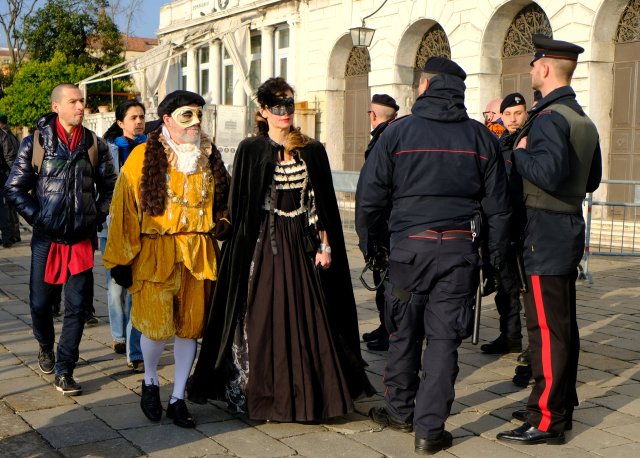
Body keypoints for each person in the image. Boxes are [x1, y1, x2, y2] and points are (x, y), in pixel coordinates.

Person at [187, 77, 375, 422]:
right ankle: (263, 393)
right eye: (277, 106)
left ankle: (311, 395)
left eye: (289, 105)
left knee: (312, 317)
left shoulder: (312, 149)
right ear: (262, 110)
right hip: (263, 243)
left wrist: (325, 244)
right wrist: (224, 224)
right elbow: (239, 202)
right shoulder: (251, 149)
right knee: (260, 316)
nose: (285, 112)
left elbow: (322, 205)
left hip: (302, 244)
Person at [356, 57, 511, 455]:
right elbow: (498, 209)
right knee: (444, 340)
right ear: (459, 91)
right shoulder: (482, 138)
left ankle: (399, 409)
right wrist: (493, 263)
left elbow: (370, 198)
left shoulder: (397, 133)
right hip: (459, 253)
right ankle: (428, 430)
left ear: (424, 85)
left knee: (402, 331)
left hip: (408, 251)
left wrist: (372, 248)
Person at [496, 35, 601, 445]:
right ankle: (558, 404)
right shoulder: (581, 118)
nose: (531, 70)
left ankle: (546, 419)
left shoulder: (550, 117)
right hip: (566, 227)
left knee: (545, 330)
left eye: (533, 64)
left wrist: (518, 153)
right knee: (561, 328)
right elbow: (589, 180)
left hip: (544, 230)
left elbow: (552, 172)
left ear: (543, 68)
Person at [103, 90, 230, 428]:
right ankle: (150, 381)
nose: (196, 122)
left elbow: (225, 200)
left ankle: (178, 398)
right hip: (154, 254)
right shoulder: (142, 157)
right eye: (187, 115)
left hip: (198, 254)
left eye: (199, 114)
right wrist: (120, 261)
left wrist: (225, 222)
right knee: (156, 328)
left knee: (190, 328)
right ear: (169, 120)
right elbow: (123, 210)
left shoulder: (207, 155)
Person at [4, 83, 116, 395]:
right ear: (57, 107)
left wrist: (97, 214)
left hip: (81, 239)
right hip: (45, 239)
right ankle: (44, 346)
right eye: (74, 101)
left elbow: (110, 184)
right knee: (40, 304)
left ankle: (65, 369)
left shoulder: (94, 144)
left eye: (82, 101)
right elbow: (12, 189)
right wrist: (38, 217)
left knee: (77, 307)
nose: (81, 106)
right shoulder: (36, 143)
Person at [99, 100, 146, 372]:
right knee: (115, 288)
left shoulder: (150, 149)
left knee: (136, 290)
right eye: (133, 117)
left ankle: (135, 350)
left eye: (141, 117)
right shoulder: (109, 150)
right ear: (120, 122)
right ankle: (118, 335)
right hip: (112, 227)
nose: (138, 121)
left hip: (142, 228)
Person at [480, 92, 528, 355]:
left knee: (523, 288)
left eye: (517, 113)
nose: (512, 119)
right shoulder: (502, 144)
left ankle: (529, 346)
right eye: (507, 114)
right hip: (502, 226)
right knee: (505, 285)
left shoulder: (529, 142)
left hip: (523, 226)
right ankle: (510, 336)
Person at [362, 93, 399, 352]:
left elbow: (375, 188)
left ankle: (389, 331)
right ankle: (384, 327)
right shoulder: (393, 135)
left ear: (373, 116)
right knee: (383, 278)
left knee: (386, 279)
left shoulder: (384, 140)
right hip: (388, 220)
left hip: (384, 221)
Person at [0, 113, 21, 248]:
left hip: (3, 176)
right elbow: (9, 158)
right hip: (3, 176)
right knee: (4, 208)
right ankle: (9, 237)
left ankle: (9, 236)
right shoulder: (6, 136)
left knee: (5, 207)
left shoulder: (5, 136)